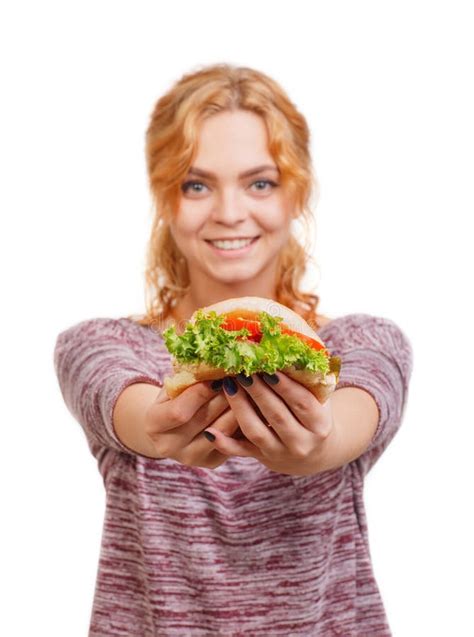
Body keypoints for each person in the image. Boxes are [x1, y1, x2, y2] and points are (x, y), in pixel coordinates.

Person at [53, 63, 413, 636]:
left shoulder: (361, 343)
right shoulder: (101, 346)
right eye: (196, 185)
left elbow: (351, 416)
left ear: (297, 193)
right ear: (165, 199)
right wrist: (161, 425)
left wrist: (313, 447)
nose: (228, 213)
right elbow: (129, 406)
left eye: (260, 182)